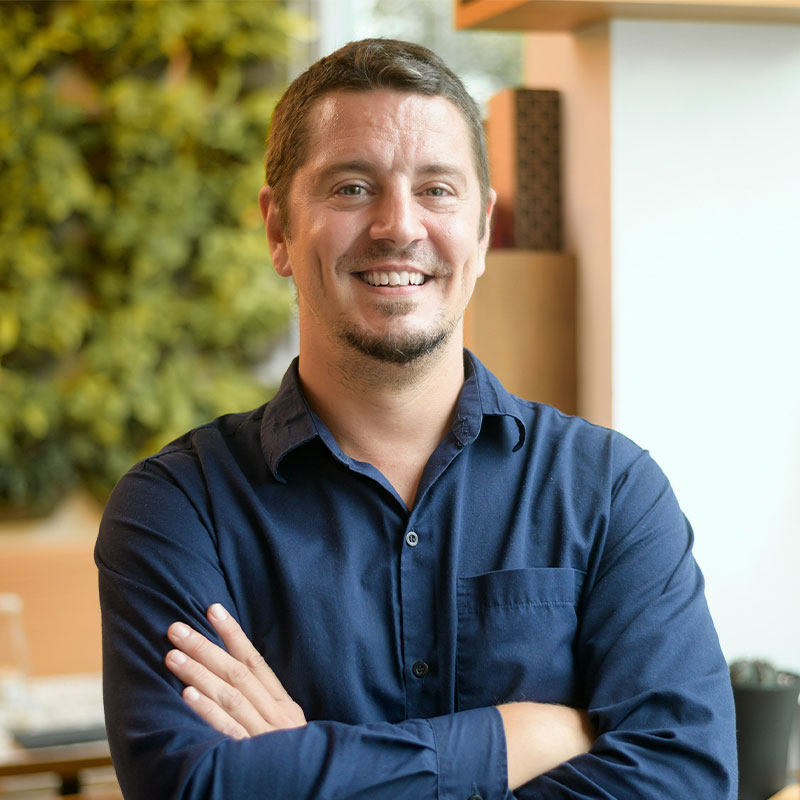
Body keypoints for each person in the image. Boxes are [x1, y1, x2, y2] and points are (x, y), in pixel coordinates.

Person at [96, 38, 737, 799]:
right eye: (352, 187)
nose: (399, 226)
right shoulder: (178, 510)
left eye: (437, 190)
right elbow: (193, 787)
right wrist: (517, 737)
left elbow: (685, 779)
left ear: (483, 229)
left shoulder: (611, 491)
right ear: (278, 230)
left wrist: (308, 765)